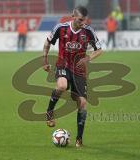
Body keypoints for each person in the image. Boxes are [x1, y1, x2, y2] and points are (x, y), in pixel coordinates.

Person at [42, 6, 102, 147]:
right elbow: (47, 43)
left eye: (84, 20)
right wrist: (44, 60)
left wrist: (88, 58)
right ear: (73, 16)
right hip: (63, 65)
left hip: (79, 71)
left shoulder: (88, 31)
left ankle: (79, 138)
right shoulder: (61, 28)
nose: (83, 22)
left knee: (82, 103)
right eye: (80, 20)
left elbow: (99, 50)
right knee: (62, 85)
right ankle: (49, 112)